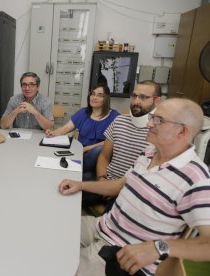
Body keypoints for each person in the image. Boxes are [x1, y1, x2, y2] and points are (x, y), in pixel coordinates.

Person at [58, 98, 210, 276]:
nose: (149, 123)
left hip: (121, 254)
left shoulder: (196, 178)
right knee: (48, 228)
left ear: (182, 131)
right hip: (102, 226)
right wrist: (80, 184)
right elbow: (120, 185)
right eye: (153, 117)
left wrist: (157, 248)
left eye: (158, 120)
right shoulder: (150, 152)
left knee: (54, 265)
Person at [82, 80, 161, 208]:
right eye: (134, 96)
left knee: (111, 223)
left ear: (157, 101)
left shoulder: (159, 131)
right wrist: (102, 180)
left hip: (131, 192)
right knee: (66, 192)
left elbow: (154, 177)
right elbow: (104, 157)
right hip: (106, 181)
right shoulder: (119, 121)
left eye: (143, 97)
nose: (136, 101)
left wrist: (118, 189)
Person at [45, 84, 120, 180]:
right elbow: (65, 128)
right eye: (92, 94)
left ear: (106, 98)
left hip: (99, 158)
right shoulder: (83, 112)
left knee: (99, 149)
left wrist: (88, 148)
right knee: (84, 176)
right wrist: (53, 133)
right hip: (79, 153)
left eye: (100, 95)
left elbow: (111, 141)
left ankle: (72, 172)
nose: (94, 97)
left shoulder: (115, 117)